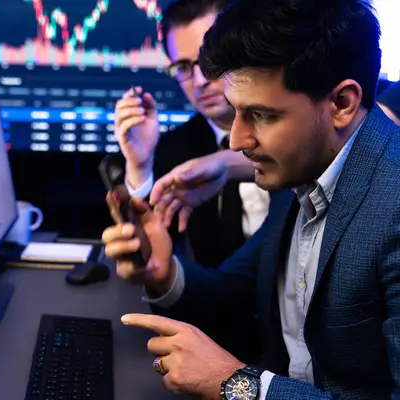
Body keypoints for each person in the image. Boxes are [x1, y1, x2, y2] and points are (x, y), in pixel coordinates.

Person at [102, 0, 400, 398]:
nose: (236, 142)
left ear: (341, 104)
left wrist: (238, 384)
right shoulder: (300, 175)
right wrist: (163, 273)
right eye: (237, 112)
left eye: (260, 115)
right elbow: (236, 294)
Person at [114, 0, 268, 267]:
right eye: (184, 67)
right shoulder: (174, 149)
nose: (199, 81)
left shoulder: (294, 125)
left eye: (210, 60)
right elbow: (154, 259)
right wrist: (140, 165)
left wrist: (224, 164)